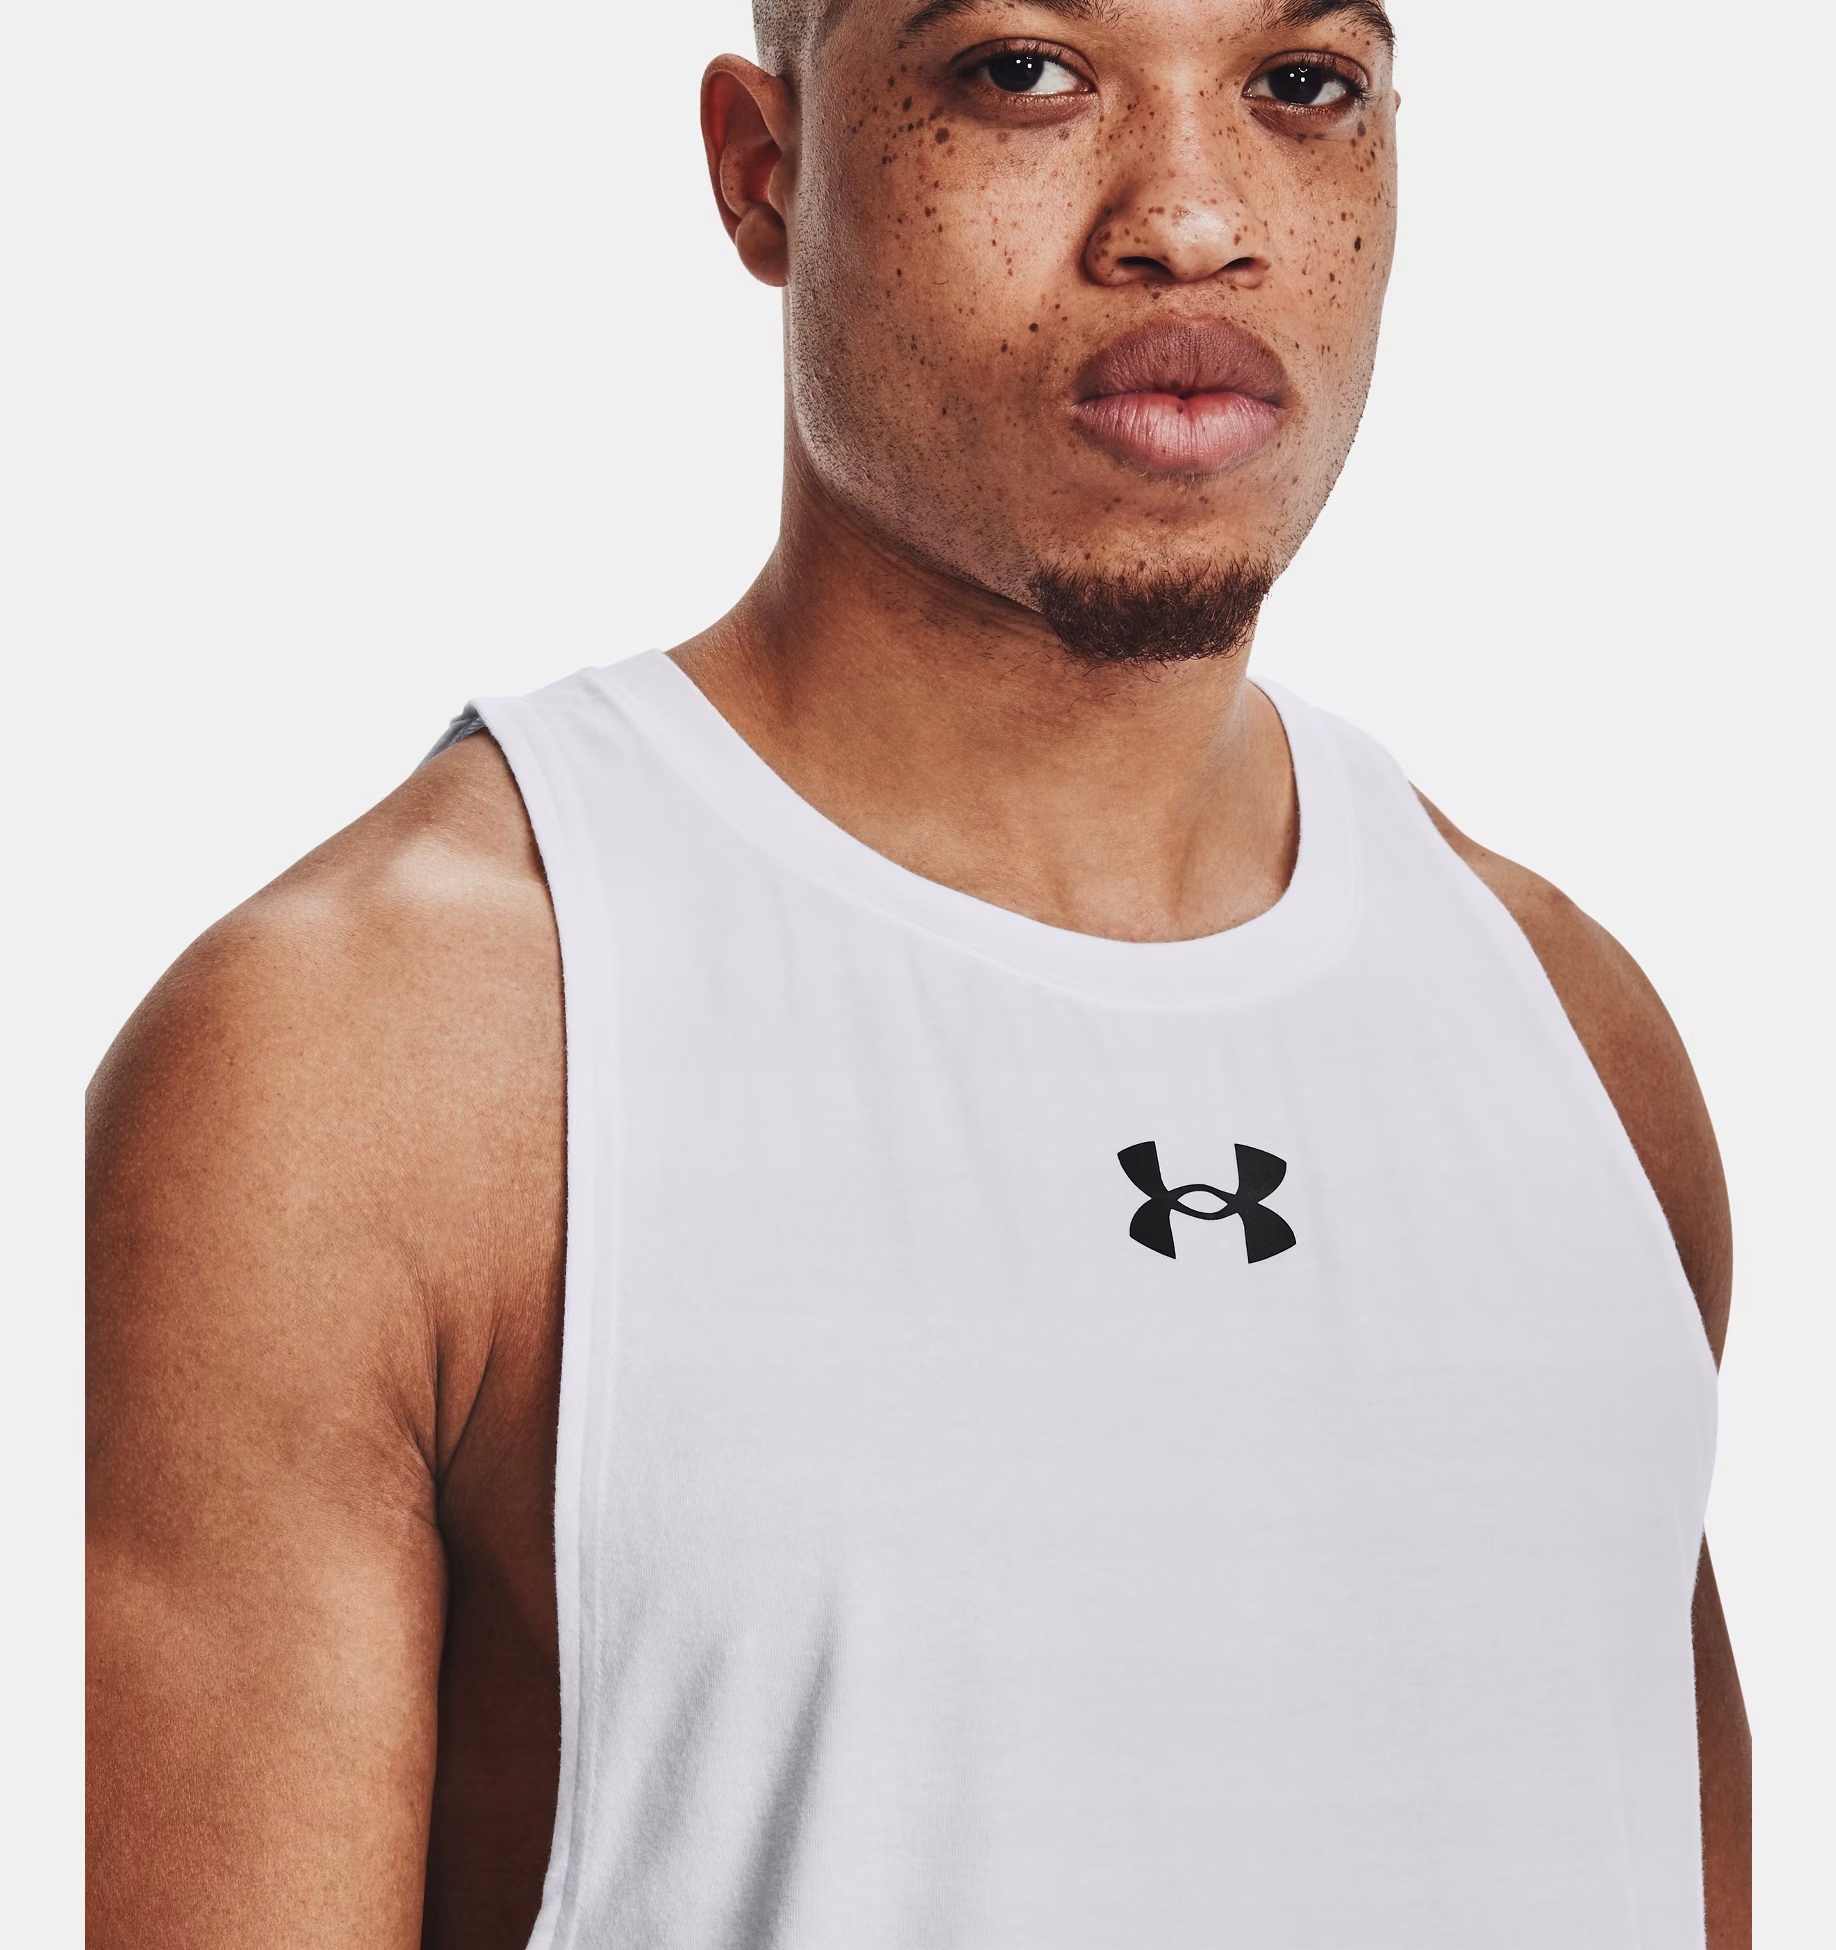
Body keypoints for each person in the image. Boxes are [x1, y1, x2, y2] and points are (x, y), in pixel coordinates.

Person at [86, 2, 1750, 1945]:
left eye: (1302, 85)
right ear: (762, 169)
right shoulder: (378, 1055)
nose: (1193, 219)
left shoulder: (1576, 1040)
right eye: (1024, 70)